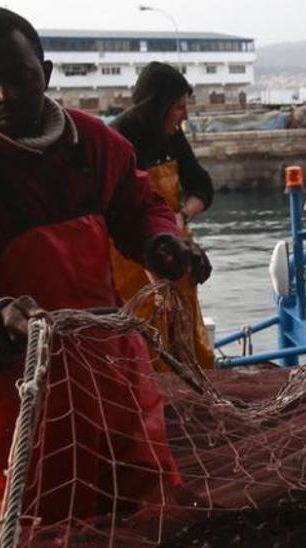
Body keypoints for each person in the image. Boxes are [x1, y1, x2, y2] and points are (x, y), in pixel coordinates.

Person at [0, 7, 210, 542]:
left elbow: (136, 202)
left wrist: (161, 243)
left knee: (150, 516)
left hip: (116, 385)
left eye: (22, 77)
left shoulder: (93, 142)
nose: (6, 95)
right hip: (15, 410)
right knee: (38, 531)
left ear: (47, 72)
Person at [110, 62, 217, 370]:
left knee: (186, 334)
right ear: (156, 106)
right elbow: (122, 214)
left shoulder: (172, 136)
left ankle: (196, 396)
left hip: (176, 249)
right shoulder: (118, 140)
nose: (184, 114)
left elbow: (202, 186)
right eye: (178, 107)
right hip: (130, 262)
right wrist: (156, 281)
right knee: (147, 341)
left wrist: (182, 214)